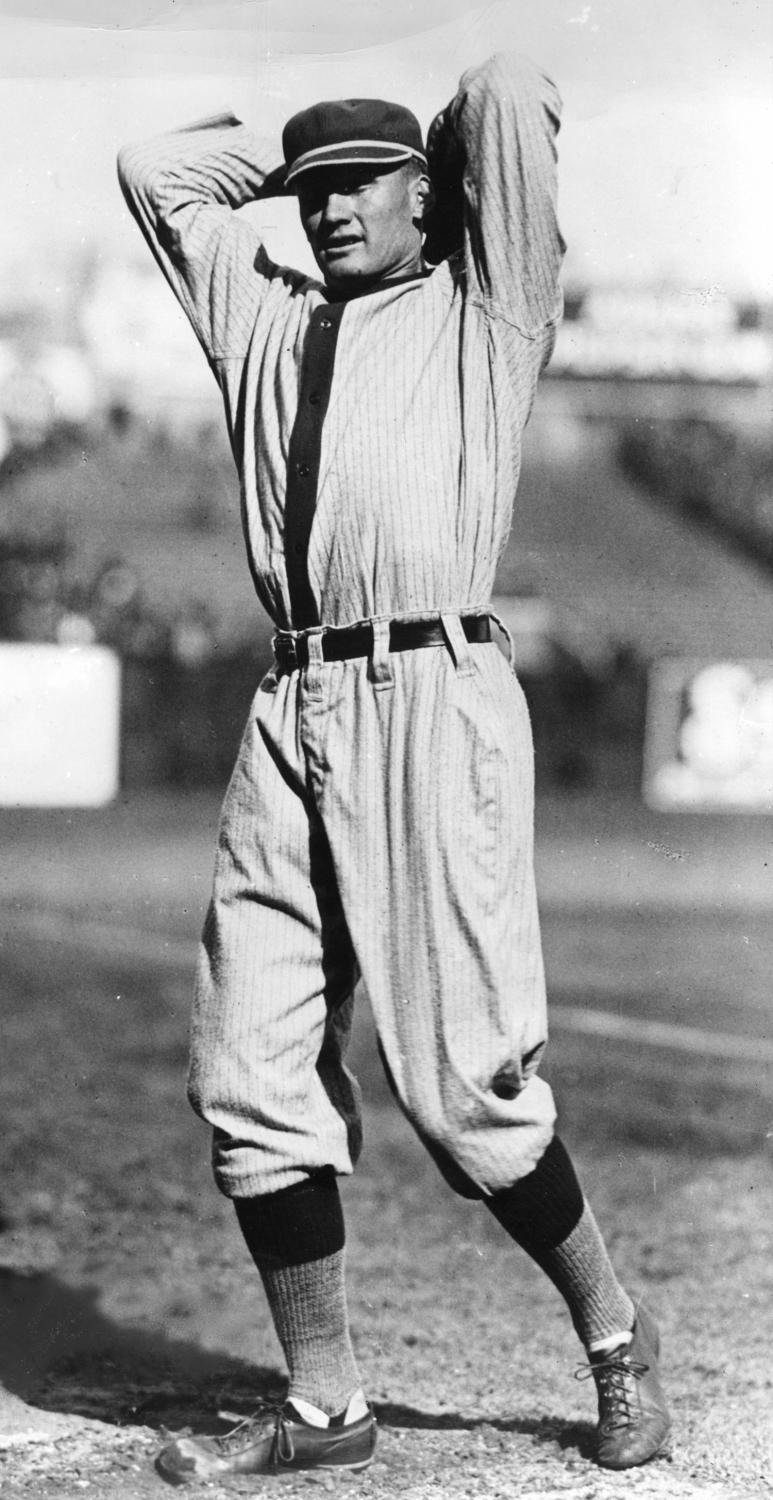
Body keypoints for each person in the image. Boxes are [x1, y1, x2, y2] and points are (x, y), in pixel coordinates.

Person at [117, 50, 671, 1484]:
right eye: (311, 192)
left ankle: (613, 1340)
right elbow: (154, 177)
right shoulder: (261, 318)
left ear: (430, 196)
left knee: (460, 1086)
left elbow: (506, 87)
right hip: (287, 702)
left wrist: (420, 153)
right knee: (246, 1069)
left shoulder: (486, 308)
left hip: (432, 693)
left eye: (358, 184)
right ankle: (323, 1406)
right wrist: (293, 148)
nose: (327, 209)